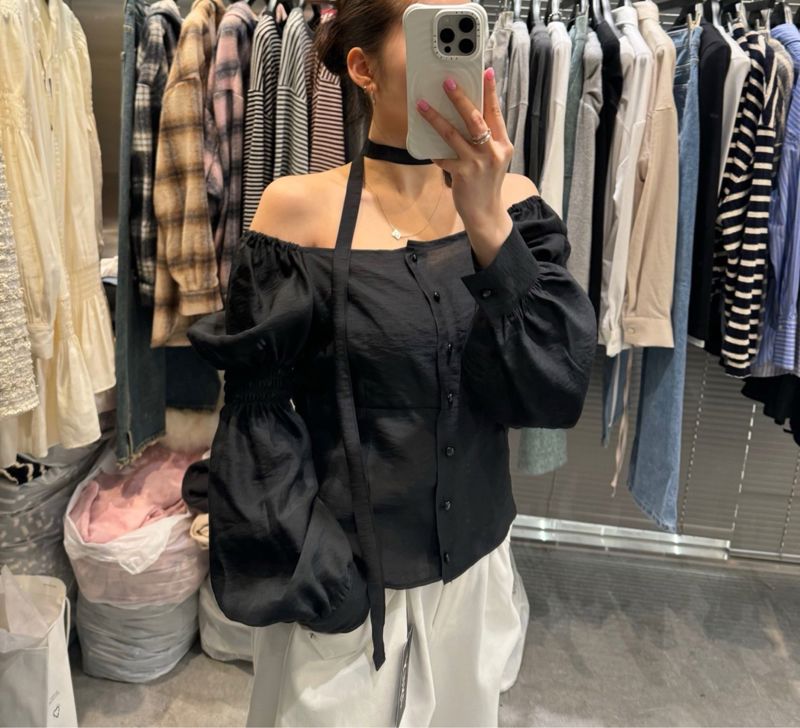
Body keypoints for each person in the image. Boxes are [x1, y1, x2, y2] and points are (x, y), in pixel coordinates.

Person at [188, 0, 597, 725]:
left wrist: (487, 224)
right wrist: (321, 577)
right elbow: (257, 423)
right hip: (343, 591)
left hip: (473, 584)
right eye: (429, 33)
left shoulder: (516, 210)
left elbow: (552, 392)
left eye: (465, 31)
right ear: (363, 67)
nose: (458, 60)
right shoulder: (295, 214)